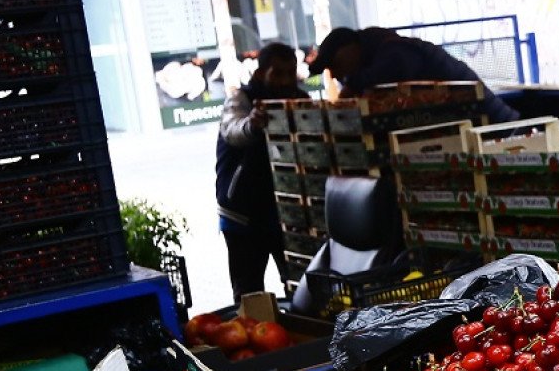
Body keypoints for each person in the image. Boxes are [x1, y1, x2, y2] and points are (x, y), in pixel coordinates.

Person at [216, 43, 304, 298]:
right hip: (242, 215)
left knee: (300, 289)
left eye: (291, 72)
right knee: (249, 294)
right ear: (259, 74)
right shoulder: (240, 99)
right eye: (278, 73)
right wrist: (254, 125)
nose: (286, 80)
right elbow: (233, 130)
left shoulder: (299, 101)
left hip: (287, 215)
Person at [307, 27, 520, 121]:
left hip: (495, 125)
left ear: (351, 48)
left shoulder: (395, 51)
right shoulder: (386, 50)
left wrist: (348, 92)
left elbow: (379, 75)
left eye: (335, 64)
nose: (335, 74)